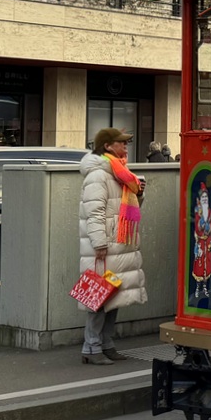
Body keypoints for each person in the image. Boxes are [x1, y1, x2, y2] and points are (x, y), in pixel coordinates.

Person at [78, 128, 147, 365]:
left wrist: (140, 193)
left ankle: (106, 344)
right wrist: (99, 243)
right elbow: (94, 212)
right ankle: (92, 347)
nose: (126, 147)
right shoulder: (98, 174)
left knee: (114, 294)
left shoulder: (120, 172)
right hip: (105, 245)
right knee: (99, 297)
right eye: (121, 143)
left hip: (119, 243)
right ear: (107, 146)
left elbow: (126, 207)